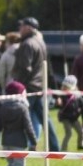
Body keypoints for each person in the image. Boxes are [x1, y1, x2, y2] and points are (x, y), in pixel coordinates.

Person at [12, 17, 60, 151]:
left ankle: (20, 147)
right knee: (45, 119)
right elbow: (48, 68)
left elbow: (25, 68)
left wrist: (19, 86)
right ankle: (55, 147)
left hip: (29, 87)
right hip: (40, 87)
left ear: (28, 28)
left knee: (21, 118)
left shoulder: (27, 44)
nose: (19, 30)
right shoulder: (41, 42)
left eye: (22, 27)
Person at [0, 80, 37, 166]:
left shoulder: (2, 107)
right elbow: (28, 127)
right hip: (19, 143)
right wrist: (34, 142)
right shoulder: (22, 108)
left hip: (6, 142)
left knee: (12, 165)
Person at [56, 75, 83, 151]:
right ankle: (63, 149)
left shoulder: (78, 96)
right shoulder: (61, 95)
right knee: (69, 133)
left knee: (82, 131)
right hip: (65, 118)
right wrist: (58, 103)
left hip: (74, 118)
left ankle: (80, 145)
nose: (65, 88)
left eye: (67, 87)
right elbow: (59, 106)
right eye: (64, 86)